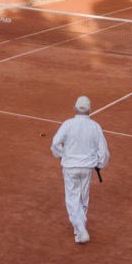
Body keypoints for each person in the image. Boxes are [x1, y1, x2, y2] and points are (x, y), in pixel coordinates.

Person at [50, 96, 110, 245]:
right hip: (87, 168)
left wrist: (61, 155)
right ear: (90, 110)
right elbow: (104, 152)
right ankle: (79, 227)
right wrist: (100, 164)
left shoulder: (67, 124)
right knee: (83, 197)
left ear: (74, 109)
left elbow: (55, 143)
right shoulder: (95, 126)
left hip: (70, 167)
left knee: (72, 198)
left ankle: (80, 228)